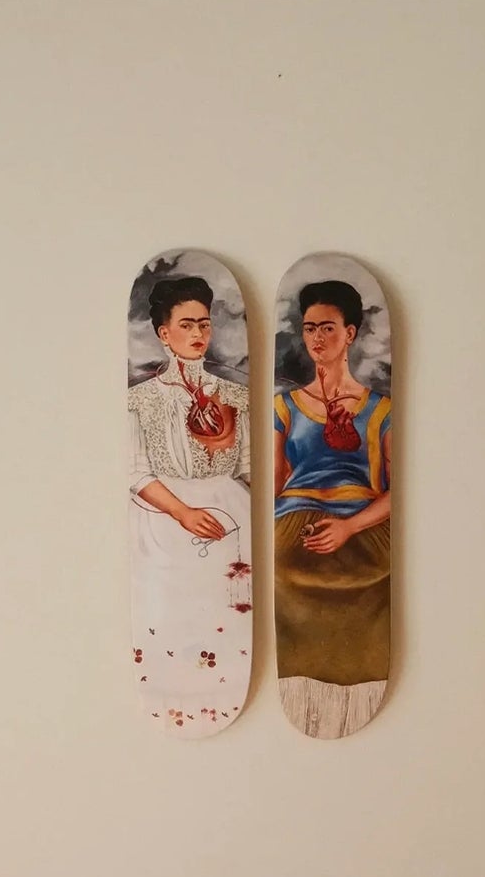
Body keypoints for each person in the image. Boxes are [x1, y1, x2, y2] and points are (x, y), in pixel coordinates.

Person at [127, 275, 252, 734]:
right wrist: (182, 512)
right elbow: (135, 472)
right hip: (165, 518)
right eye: (186, 324)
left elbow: (248, 467)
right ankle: (174, 707)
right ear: (164, 333)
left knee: (224, 615)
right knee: (173, 618)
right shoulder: (140, 400)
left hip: (229, 514)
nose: (198, 333)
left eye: (204, 323)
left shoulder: (234, 395)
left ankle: (224, 702)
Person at [272, 279, 391, 735]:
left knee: (373, 587)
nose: (317, 338)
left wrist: (349, 527)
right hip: (294, 524)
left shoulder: (381, 410)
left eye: (327, 327)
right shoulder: (285, 406)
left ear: (350, 333)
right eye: (309, 328)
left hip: (363, 526)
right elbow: (273, 484)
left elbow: (398, 490)